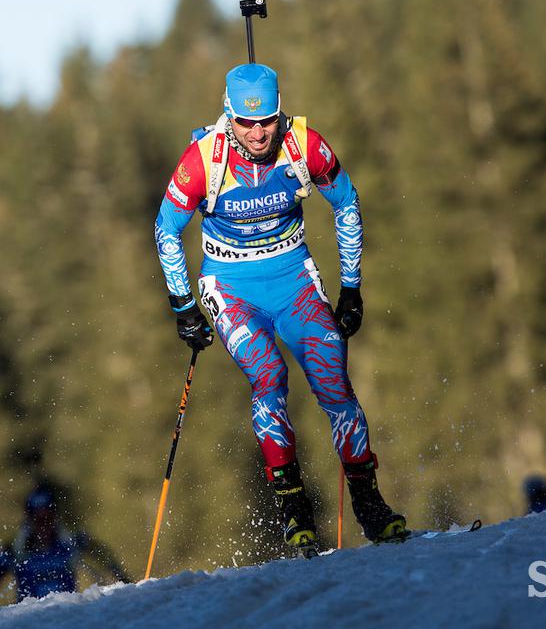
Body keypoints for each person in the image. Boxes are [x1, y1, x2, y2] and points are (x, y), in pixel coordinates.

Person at [154, 63, 406, 553]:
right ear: (229, 115)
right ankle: (293, 509)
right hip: (230, 287)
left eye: (266, 119)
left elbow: (347, 204)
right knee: (268, 376)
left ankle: (369, 504)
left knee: (334, 380)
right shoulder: (202, 159)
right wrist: (183, 304)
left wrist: (351, 288)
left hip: (293, 280)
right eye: (246, 123)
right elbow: (167, 228)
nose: (258, 132)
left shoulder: (305, 146)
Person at [0, 484, 131, 604]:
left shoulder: (71, 541)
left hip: (66, 618)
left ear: (55, 517)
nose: (43, 526)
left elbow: (105, 557)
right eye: (38, 520)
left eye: (48, 518)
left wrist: (127, 585)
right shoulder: (15, 549)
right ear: (29, 520)